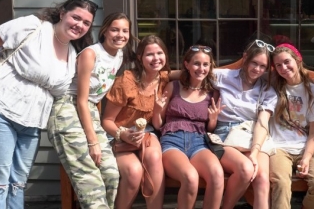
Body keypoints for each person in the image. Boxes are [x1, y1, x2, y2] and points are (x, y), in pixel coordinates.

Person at [0, 0, 97, 208]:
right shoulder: (33, 27)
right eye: (76, 17)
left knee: (16, 186)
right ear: (62, 13)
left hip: (31, 125)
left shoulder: (72, 53)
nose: (80, 25)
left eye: (86, 23)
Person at [47, 12, 133, 208]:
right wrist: (93, 142)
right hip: (66, 109)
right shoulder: (90, 54)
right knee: (90, 182)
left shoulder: (119, 54)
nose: (120, 35)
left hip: (89, 111)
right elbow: (81, 100)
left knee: (111, 174)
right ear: (104, 31)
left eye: (125, 30)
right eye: (115, 29)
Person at [102, 35, 171, 209]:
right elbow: (107, 121)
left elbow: (190, 71)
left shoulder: (164, 78)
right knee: (134, 172)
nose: (156, 59)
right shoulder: (127, 82)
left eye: (159, 53)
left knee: (154, 157)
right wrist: (123, 134)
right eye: (149, 54)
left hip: (145, 131)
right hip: (117, 133)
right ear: (140, 58)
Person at [153, 45, 224, 209]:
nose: (201, 69)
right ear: (187, 64)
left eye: (205, 65)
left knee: (217, 174)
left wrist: (213, 119)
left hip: (199, 142)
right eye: (196, 64)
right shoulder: (174, 87)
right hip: (172, 141)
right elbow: (158, 125)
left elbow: (210, 130)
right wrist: (157, 111)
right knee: (191, 177)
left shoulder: (212, 93)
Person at [212, 39, 278, 209]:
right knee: (246, 169)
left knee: (262, 178)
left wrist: (255, 153)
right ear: (245, 58)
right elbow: (190, 72)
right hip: (225, 134)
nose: (257, 69)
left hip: (253, 133)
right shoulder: (224, 76)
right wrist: (163, 75)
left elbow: (262, 123)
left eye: (263, 66)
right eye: (254, 63)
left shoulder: (267, 90)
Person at [269, 43, 314, 209]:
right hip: (279, 148)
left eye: (287, 62)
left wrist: (306, 158)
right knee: (281, 184)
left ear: (298, 60)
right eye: (278, 65)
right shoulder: (272, 89)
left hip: (307, 147)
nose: (284, 67)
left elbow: (313, 133)